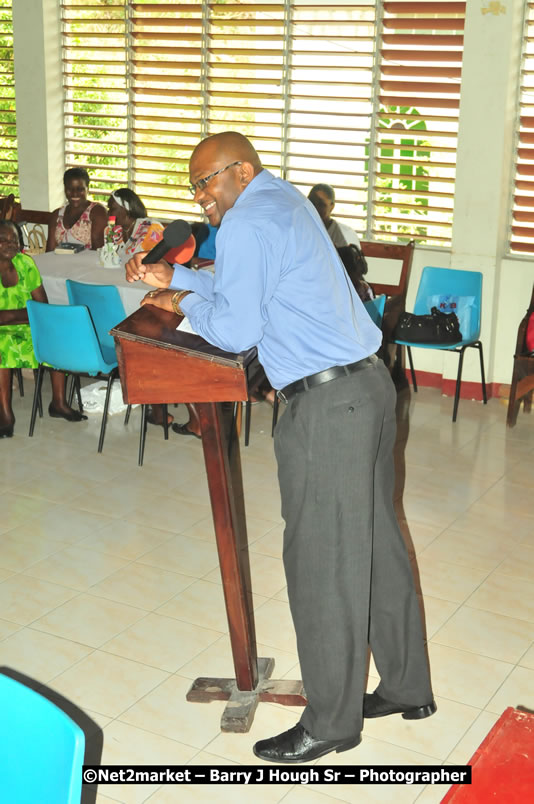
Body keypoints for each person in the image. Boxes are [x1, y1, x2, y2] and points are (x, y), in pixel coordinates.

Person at [125, 132, 435, 763]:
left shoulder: (244, 223)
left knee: (322, 567)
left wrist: (180, 302)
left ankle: (332, 722)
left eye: (206, 181)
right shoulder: (284, 202)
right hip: (369, 388)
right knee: (377, 546)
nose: (201, 197)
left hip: (328, 411)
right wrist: (178, 274)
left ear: (240, 171)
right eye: (194, 186)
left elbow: (237, 324)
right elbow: (251, 293)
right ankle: (407, 685)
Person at [0, 220, 87, 438]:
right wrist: (25, 313)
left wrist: (12, 315)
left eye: (14, 240)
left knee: (56, 336)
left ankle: (58, 403)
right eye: (3, 240)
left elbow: (42, 307)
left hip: (29, 325)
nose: (10, 244)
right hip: (6, 333)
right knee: (2, 346)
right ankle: (5, 414)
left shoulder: (25, 263)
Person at [46, 167, 107, 252]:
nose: (74, 193)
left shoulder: (97, 212)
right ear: (64, 189)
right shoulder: (56, 215)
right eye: (70, 189)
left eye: (80, 189)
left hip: (88, 264)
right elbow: (49, 252)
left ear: (87, 189)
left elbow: (97, 252)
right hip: (59, 264)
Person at [308, 183, 361, 248]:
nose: (315, 208)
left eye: (321, 204)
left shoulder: (345, 233)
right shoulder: (301, 228)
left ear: (332, 206)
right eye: (311, 203)